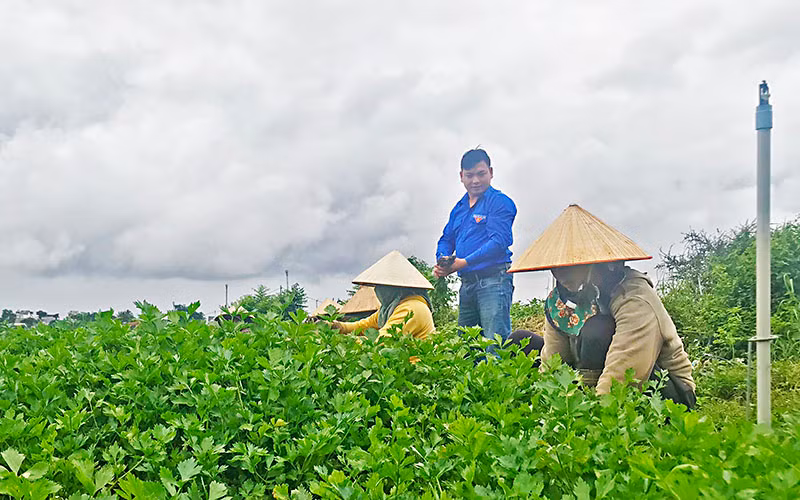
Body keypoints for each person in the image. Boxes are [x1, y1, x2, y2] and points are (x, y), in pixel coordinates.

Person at [507, 204, 696, 408]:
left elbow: (627, 366)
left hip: (663, 391)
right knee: (520, 341)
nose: (559, 275)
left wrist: (594, 414)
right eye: (555, 267)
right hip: (589, 373)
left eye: (567, 267)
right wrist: (544, 404)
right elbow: (554, 360)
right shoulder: (562, 300)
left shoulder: (633, 297)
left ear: (590, 261)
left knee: (597, 329)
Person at [434, 148, 517, 351]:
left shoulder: (500, 202)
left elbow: (499, 241)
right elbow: (446, 238)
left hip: (494, 281)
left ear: (490, 172)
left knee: (494, 346)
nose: (475, 180)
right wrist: (443, 260)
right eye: (470, 175)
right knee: (467, 347)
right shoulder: (459, 208)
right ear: (461, 176)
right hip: (468, 285)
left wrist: (464, 262)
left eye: (481, 174)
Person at [333, 250, 435, 340]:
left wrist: (341, 342)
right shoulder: (389, 309)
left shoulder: (411, 308)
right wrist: (337, 327)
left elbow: (382, 341)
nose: (377, 290)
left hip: (414, 361)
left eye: (381, 286)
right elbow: (363, 326)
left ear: (394, 287)